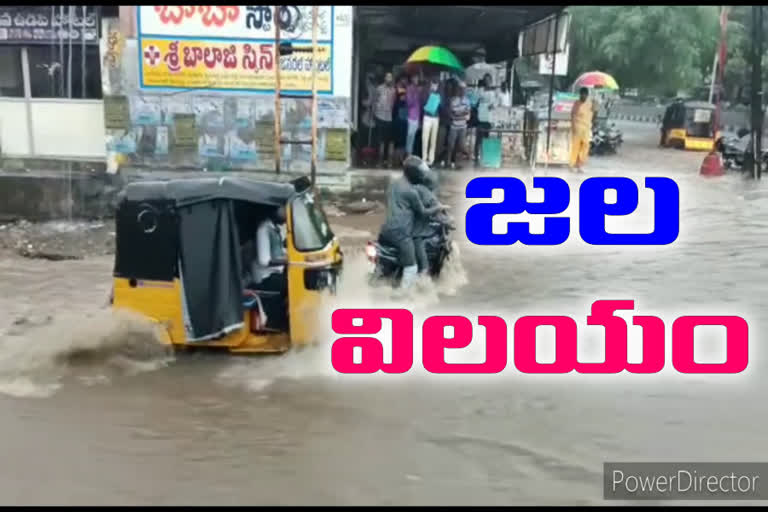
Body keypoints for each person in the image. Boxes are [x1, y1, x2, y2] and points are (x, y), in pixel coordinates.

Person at [378, 156, 446, 289]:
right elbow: (423, 212)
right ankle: (404, 297)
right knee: (412, 267)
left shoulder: (394, 184)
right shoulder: (411, 192)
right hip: (401, 233)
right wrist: (438, 208)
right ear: (415, 174)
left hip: (386, 230)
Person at [252, 206, 288, 329]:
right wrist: (286, 261)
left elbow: (278, 251)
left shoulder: (275, 228)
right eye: (284, 209)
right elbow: (264, 260)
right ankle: (275, 323)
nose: (286, 213)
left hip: (276, 272)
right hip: (266, 277)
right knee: (292, 285)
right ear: (274, 210)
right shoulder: (264, 229)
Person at [446, 81, 471, 169]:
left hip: (463, 126)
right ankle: (448, 161)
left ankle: (456, 162)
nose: (463, 91)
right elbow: (452, 114)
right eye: (461, 89)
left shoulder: (467, 101)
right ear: (458, 90)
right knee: (451, 144)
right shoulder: (453, 100)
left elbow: (467, 114)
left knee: (460, 145)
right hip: (454, 126)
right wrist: (461, 114)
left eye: (464, 89)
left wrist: (458, 114)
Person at [570, 87, 595, 173]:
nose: (583, 96)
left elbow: (594, 113)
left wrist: (595, 105)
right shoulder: (577, 103)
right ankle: (572, 164)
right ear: (580, 94)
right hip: (577, 127)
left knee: (585, 146)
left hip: (586, 128)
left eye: (585, 94)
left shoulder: (590, 104)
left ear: (587, 95)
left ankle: (580, 164)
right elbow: (572, 115)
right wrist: (573, 126)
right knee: (575, 146)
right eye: (582, 94)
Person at [373, 72, 396, 167]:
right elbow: (374, 101)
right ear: (384, 78)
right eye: (387, 77)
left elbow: (393, 103)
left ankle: (388, 161)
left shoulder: (394, 90)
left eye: (390, 77)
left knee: (388, 140)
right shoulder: (379, 88)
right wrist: (375, 112)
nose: (389, 79)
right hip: (380, 117)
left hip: (389, 118)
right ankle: (379, 161)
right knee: (380, 140)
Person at [474, 74, 496, 164]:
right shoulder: (480, 91)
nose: (487, 82)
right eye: (486, 80)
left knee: (486, 137)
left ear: (491, 81)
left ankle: (485, 156)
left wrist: (492, 106)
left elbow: (495, 104)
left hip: (488, 117)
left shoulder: (493, 92)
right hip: (480, 116)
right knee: (479, 137)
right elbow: (476, 101)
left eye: (489, 80)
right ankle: (476, 156)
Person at [421, 78, 441, 166]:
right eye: (433, 84)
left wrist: (439, 100)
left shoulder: (439, 94)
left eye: (436, 84)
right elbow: (422, 103)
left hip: (435, 118)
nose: (435, 86)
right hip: (427, 117)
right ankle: (424, 159)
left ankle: (431, 160)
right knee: (425, 139)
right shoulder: (426, 92)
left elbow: (441, 106)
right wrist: (429, 95)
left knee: (433, 140)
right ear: (430, 84)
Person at [405, 74, 422, 157]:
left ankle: (410, 154)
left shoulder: (418, 89)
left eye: (417, 78)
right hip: (411, 116)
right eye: (415, 77)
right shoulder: (409, 88)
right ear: (412, 79)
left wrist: (419, 120)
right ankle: (408, 154)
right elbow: (409, 103)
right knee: (410, 136)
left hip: (417, 116)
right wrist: (415, 94)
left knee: (413, 137)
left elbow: (419, 105)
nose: (417, 79)